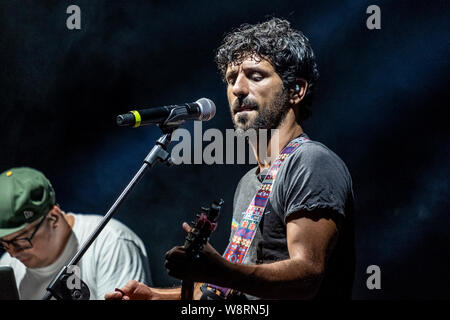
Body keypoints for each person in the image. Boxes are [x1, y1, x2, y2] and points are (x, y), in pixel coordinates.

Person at [105, 17, 355, 300]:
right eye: (231, 78)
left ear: (296, 90)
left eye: (255, 76)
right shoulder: (249, 183)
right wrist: (153, 297)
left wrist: (219, 270)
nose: (237, 88)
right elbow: (232, 285)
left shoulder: (311, 161)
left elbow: (307, 275)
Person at [0, 167, 152, 300]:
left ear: (53, 217)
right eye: (4, 243)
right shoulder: (7, 264)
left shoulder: (111, 242)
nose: (12, 253)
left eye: (20, 241)